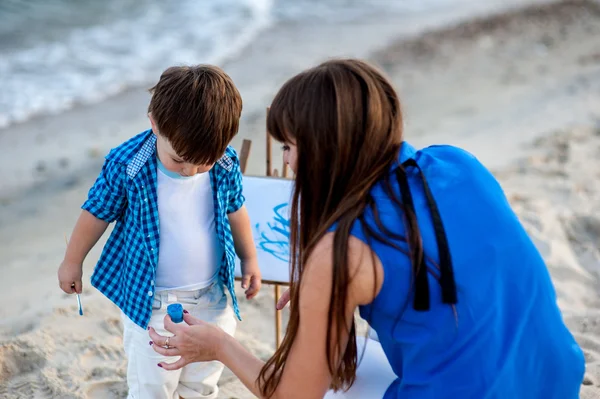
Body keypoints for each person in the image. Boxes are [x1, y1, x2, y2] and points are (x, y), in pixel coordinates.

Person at [148, 59, 585, 398]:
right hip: (555, 383)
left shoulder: (341, 252)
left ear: (323, 151)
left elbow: (293, 394)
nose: (285, 160)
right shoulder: (457, 162)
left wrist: (218, 345)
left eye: (289, 146)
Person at [58, 64, 262, 399]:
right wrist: (72, 261)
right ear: (154, 123)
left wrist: (249, 258)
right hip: (151, 301)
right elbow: (96, 211)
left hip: (212, 296)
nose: (191, 170)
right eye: (180, 159)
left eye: (202, 162)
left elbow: (236, 208)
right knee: (152, 383)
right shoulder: (129, 165)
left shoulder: (224, 161)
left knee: (202, 380)